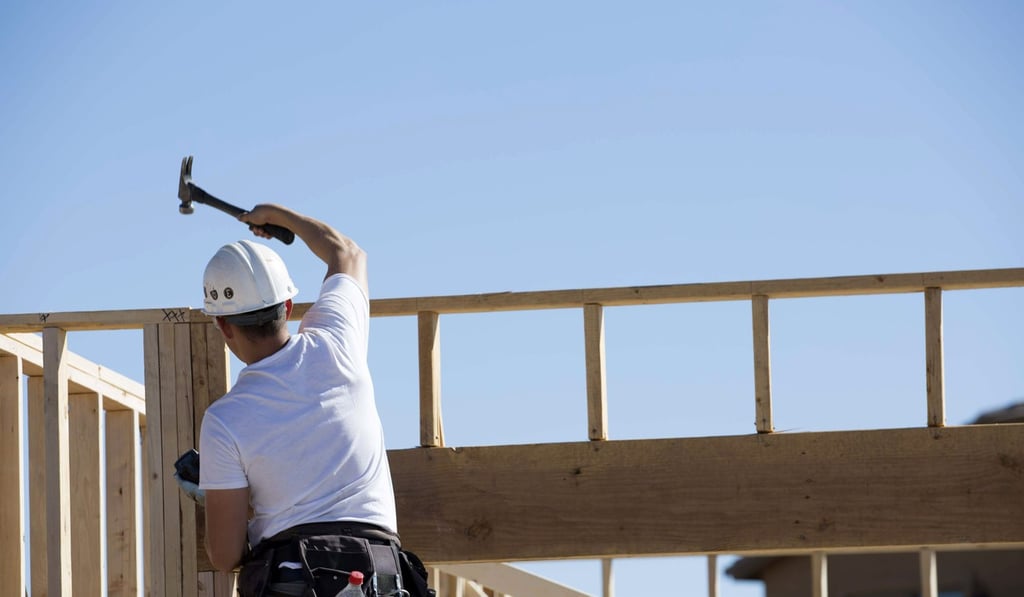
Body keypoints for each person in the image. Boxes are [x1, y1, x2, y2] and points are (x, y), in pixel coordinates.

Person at [177, 204, 431, 596]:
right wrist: (280, 217)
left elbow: (225, 555)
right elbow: (346, 252)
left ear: (223, 326)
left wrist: (218, 497)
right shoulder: (337, 344)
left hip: (293, 579)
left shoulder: (224, 421)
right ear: (289, 308)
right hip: (378, 576)